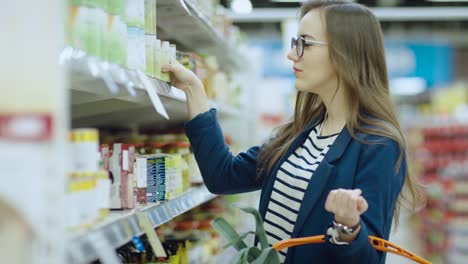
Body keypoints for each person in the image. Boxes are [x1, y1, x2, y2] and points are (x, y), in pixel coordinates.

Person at [162, 0, 422, 263]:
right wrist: (194, 89)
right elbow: (223, 176)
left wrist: (348, 226)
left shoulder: (379, 145)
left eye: (305, 43)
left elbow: (369, 258)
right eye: (295, 43)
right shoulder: (302, 133)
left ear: (345, 53)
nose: (292, 54)